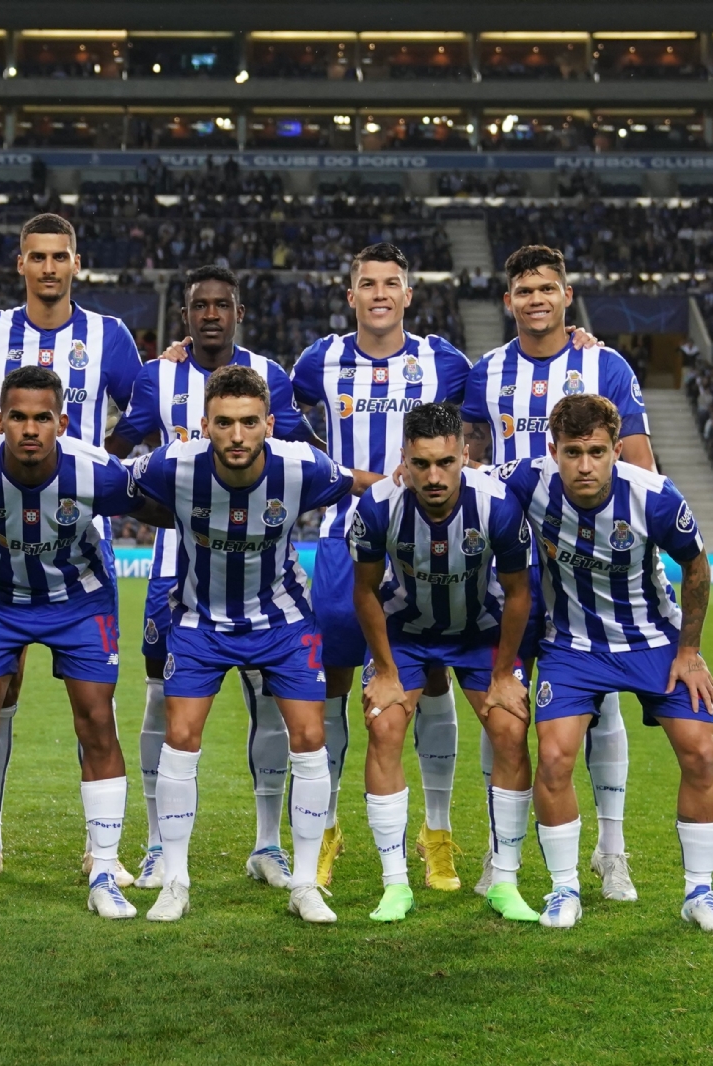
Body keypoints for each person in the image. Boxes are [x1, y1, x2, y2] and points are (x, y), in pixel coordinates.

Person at [0, 366, 171, 919]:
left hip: (82, 601)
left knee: (96, 720)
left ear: (61, 422)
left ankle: (105, 871)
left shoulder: (98, 473)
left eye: (43, 417)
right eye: (17, 416)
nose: (30, 428)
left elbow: (161, 508)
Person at [127, 364, 384, 923]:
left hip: (284, 622)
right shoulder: (174, 464)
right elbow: (115, 483)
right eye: (223, 423)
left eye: (249, 423)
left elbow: (358, 482)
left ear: (269, 423)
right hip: (200, 621)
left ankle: (305, 883)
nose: (237, 436)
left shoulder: (302, 466)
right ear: (204, 425)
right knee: (180, 737)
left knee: (311, 738)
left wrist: (407, 477)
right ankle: (175, 880)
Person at [105, 264, 319, 893]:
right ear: (187, 315)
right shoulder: (157, 375)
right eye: (200, 306)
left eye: (222, 305)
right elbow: (121, 451)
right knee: (159, 701)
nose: (210, 315)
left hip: (258, 564)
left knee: (269, 703)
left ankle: (269, 843)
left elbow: (301, 449)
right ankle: (154, 843)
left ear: (238, 312)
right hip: (178, 566)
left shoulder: (269, 377)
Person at [0, 213, 142, 885]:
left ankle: (102, 850)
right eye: (39, 257)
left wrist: (93, 469)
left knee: (95, 706)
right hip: (0, 542)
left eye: (61, 257)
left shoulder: (109, 336)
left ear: (76, 263)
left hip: (82, 545)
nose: (50, 267)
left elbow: (140, 411)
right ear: (21, 264)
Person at [497, 394, 713, 933]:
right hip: (572, 646)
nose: (585, 465)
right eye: (574, 452)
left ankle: (700, 892)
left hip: (652, 641)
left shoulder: (653, 496)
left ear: (616, 450)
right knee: (555, 758)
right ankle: (564, 889)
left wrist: (690, 651)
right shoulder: (526, 480)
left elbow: (696, 567)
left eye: (597, 452)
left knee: (700, 751)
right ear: (553, 450)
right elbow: (466, 477)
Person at [461, 243, 652, 904]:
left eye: (548, 288)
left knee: (603, 707)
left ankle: (612, 851)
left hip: (586, 572)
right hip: (507, 571)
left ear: (566, 295)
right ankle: (498, 850)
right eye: (524, 290)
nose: (536, 299)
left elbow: (639, 465)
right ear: (508, 300)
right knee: (502, 710)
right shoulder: (484, 374)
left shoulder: (605, 363)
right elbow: (467, 466)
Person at [288, 241, 472, 889]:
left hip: (427, 546)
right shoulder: (322, 359)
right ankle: (330, 828)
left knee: (434, 684)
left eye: (391, 283)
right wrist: (345, 474)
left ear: (408, 294)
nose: (380, 294)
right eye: (367, 283)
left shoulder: (440, 360)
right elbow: (283, 419)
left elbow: (472, 424)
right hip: (344, 544)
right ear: (351, 295)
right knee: (334, 687)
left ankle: (437, 833)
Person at [348, 403, 534, 922]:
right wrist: (385, 672)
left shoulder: (497, 505)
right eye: (422, 464)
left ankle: (504, 879)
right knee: (383, 727)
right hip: (405, 632)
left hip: (480, 632)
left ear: (465, 456)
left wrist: (501, 675)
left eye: (446, 463)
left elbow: (519, 594)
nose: (434, 476)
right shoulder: (377, 507)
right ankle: (395, 884)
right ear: (403, 461)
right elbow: (363, 591)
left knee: (512, 730)